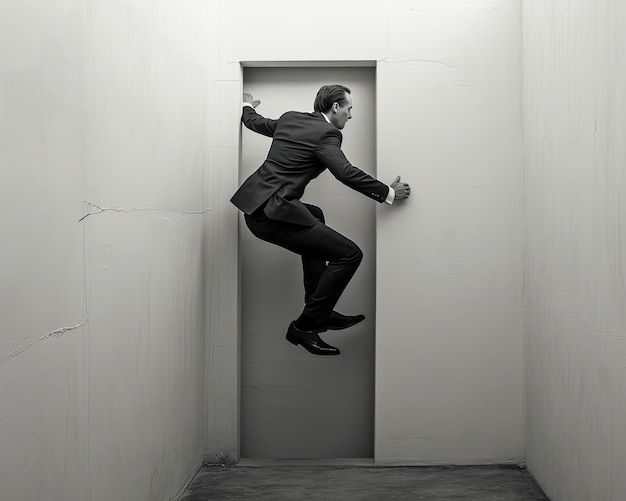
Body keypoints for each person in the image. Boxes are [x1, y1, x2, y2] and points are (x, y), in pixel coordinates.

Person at [231, 84, 410, 356]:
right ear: (335, 107)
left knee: (314, 215)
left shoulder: (291, 118)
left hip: (257, 210)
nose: (350, 116)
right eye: (349, 109)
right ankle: (305, 326)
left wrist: (247, 107)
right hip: (271, 217)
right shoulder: (328, 134)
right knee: (350, 254)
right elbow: (345, 172)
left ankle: (320, 311)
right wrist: (388, 192)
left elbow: (257, 123)